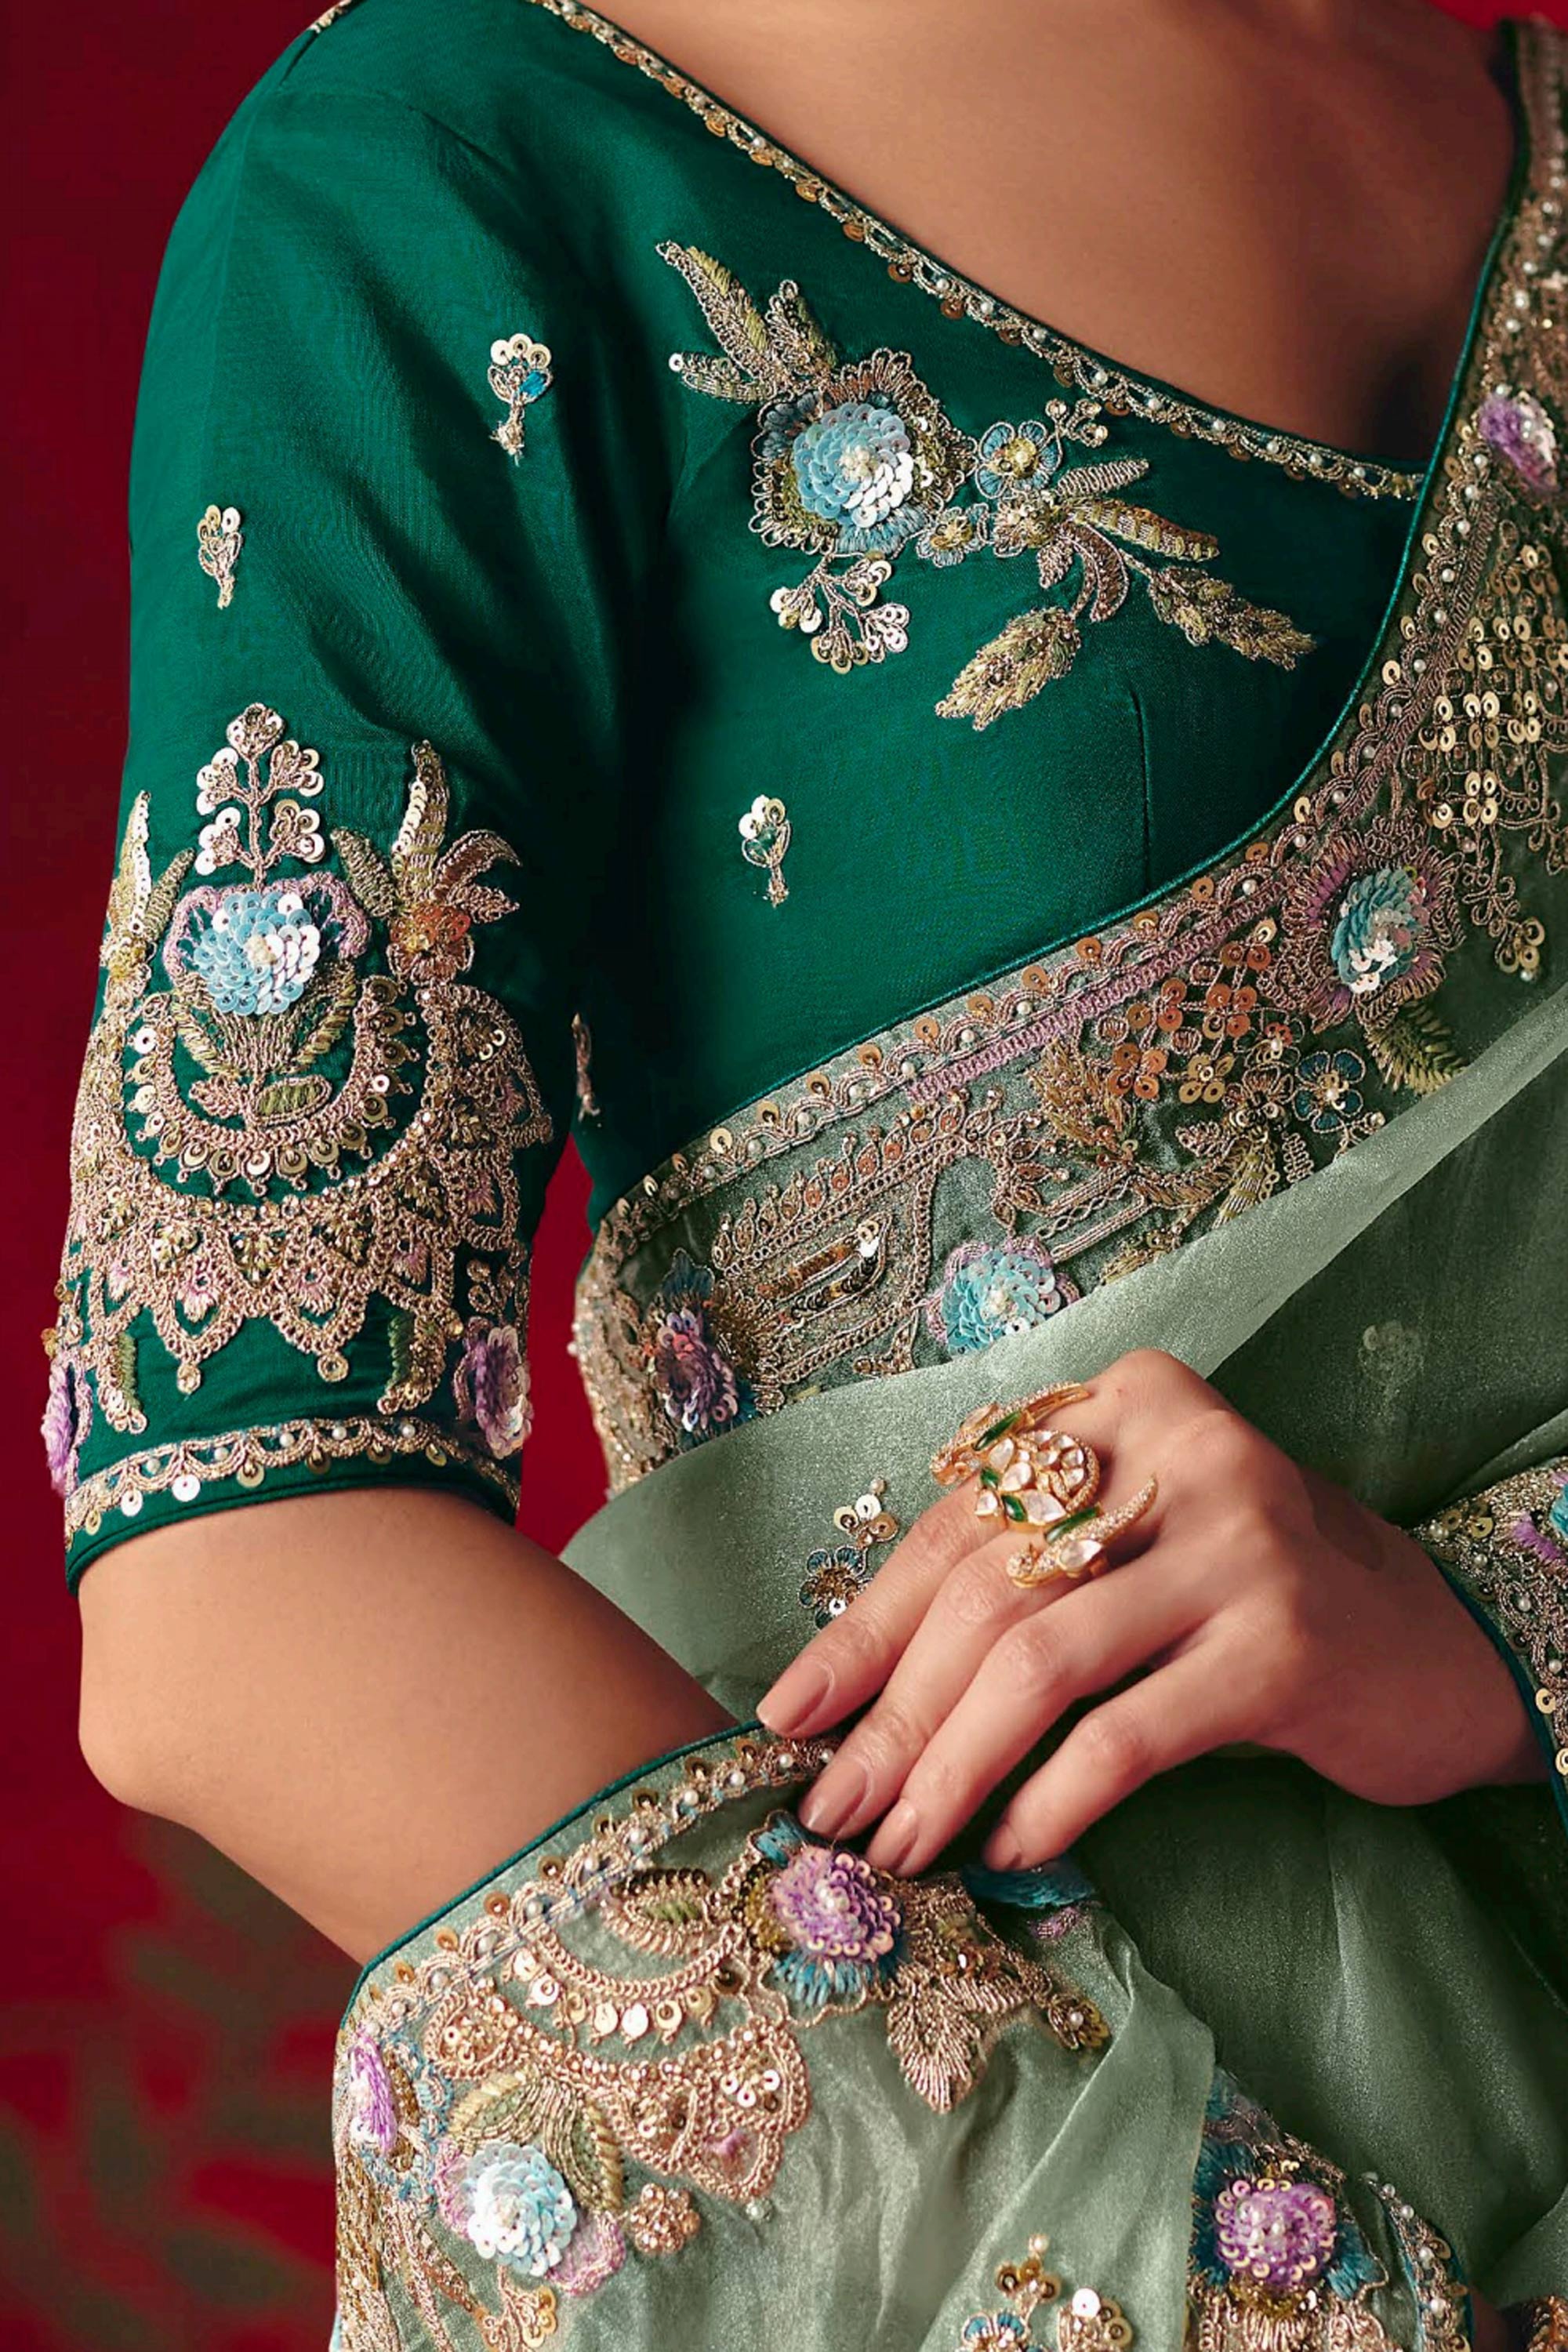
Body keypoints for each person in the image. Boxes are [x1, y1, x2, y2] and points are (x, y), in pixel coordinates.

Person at [47, 0, 1568, 2344]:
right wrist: (1262, 2302)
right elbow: (242, 1582)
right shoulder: (471, 160)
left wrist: (1489, 1626)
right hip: (1016, 2210)